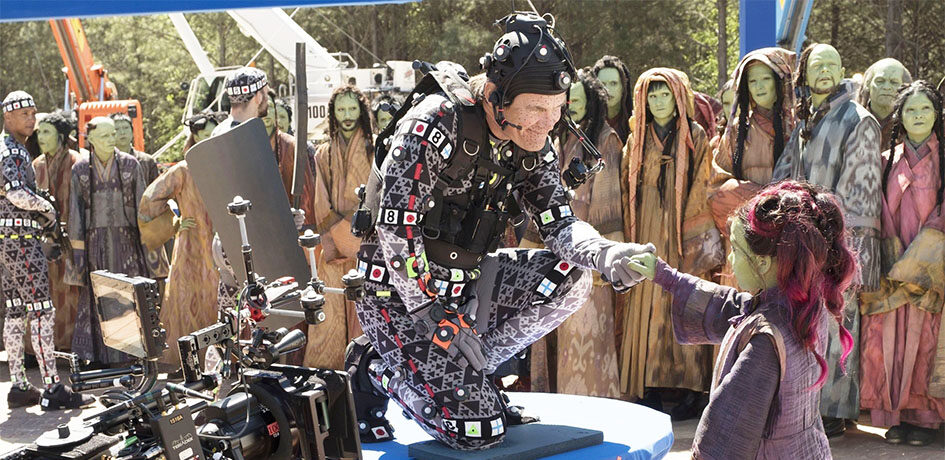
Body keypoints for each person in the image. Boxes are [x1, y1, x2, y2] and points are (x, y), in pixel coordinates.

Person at [344, 13, 654, 450]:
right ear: (495, 96)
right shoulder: (435, 122)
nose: (549, 123)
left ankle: (475, 375)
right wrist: (431, 312)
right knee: (477, 431)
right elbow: (396, 229)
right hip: (399, 296)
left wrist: (604, 253)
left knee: (572, 275)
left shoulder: (531, 142)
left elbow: (560, 223)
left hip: (467, 288)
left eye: (557, 108)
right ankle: (375, 368)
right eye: (537, 109)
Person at [627, 180, 857, 460]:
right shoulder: (802, 305)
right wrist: (667, 277)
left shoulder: (765, 342)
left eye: (735, 249)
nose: (730, 257)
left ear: (762, 263)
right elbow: (734, 307)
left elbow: (726, 441)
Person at [772, 43, 882, 437]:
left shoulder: (858, 120)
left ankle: (835, 410)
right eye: (818, 65)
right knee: (809, 325)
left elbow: (859, 194)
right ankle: (810, 407)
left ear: (841, 71)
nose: (825, 71)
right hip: (802, 241)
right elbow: (784, 176)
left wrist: (836, 244)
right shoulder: (807, 119)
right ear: (804, 73)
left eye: (832, 65)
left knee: (838, 323)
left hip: (839, 243)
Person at [617, 68, 720, 417]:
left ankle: (690, 387)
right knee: (646, 302)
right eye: (653, 95)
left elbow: (703, 183)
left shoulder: (695, 135)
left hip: (680, 228)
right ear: (643, 100)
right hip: (645, 226)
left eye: (665, 94)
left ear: (679, 98)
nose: (659, 101)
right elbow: (624, 187)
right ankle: (648, 385)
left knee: (682, 296)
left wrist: (691, 235)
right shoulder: (636, 137)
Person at [524, 70, 623, 397]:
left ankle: (595, 406)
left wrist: (601, 258)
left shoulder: (604, 139)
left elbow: (608, 203)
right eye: (567, 101)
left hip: (587, 250)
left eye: (577, 100)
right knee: (553, 329)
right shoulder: (558, 136)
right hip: (553, 248)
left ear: (591, 101)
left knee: (586, 334)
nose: (571, 106)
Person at [860, 81, 945, 446]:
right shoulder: (886, 160)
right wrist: (891, 253)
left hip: (931, 269)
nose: (918, 116)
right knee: (891, 342)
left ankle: (926, 419)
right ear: (900, 116)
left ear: (937, 114)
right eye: (911, 110)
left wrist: (920, 257)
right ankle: (897, 415)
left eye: (925, 109)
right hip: (893, 267)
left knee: (926, 341)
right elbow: (876, 207)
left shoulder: (943, 159)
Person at [1, 90, 94, 410]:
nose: (32, 120)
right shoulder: (12, 150)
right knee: (42, 310)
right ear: (7, 116)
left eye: (33, 113)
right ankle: (53, 387)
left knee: (15, 311)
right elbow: (16, 193)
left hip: (6, 242)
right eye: (24, 114)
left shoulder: (7, 147)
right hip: (22, 241)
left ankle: (19, 386)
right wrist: (48, 209)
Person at [66, 116, 157, 365]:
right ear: (91, 139)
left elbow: (143, 207)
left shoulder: (130, 164)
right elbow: (75, 213)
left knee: (128, 297)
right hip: (94, 244)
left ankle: (132, 356)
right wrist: (77, 257)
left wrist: (148, 248)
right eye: (104, 135)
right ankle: (99, 357)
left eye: (113, 134)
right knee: (98, 297)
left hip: (127, 242)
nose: (111, 139)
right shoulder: (80, 169)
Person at [138, 113, 225, 369]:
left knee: (219, 297)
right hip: (191, 245)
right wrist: (174, 222)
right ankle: (186, 361)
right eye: (204, 135)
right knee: (187, 300)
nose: (209, 140)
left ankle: (221, 359)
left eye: (214, 135)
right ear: (195, 136)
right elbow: (150, 199)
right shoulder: (183, 170)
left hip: (222, 243)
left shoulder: (225, 163)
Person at [707, 48, 796, 288]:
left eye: (765, 78)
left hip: (788, 240)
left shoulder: (797, 126)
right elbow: (716, 187)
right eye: (752, 81)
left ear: (779, 81)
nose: (759, 86)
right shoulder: (738, 130)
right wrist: (763, 204)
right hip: (746, 238)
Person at [310, 84, 374, 369]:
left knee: (366, 310)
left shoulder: (376, 148)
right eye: (341, 109)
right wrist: (338, 237)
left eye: (352, 108)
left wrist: (358, 233)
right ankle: (330, 372)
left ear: (361, 110)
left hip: (368, 243)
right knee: (331, 309)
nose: (347, 115)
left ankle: (367, 372)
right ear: (333, 113)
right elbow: (320, 201)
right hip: (334, 246)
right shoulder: (323, 153)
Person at [32, 111, 83, 353]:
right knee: (43, 291)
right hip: (42, 239)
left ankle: (72, 346)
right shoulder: (37, 165)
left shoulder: (77, 162)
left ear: (61, 136)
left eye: (47, 132)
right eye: (39, 132)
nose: (41, 136)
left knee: (71, 293)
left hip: (72, 238)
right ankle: (40, 347)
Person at [857, 58, 912, 149]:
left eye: (894, 82)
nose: (886, 87)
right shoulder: (852, 121)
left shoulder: (912, 125)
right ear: (868, 84)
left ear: (905, 88)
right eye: (880, 81)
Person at [591, 55, 633, 144]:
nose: (607, 90)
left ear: (623, 87)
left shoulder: (636, 123)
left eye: (613, 83)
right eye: (602, 84)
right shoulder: (587, 125)